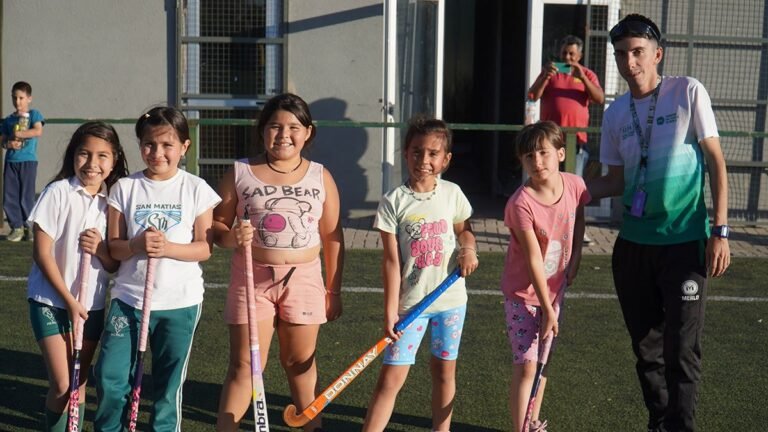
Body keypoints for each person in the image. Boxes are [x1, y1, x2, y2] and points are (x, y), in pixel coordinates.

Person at [588, 14, 730, 432]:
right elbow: (614, 181)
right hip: (632, 247)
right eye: (620, 54)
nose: (629, 62)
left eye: (637, 52)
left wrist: (719, 233)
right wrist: (562, 190)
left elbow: (717, 164)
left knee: (681, 348)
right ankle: (659, 421)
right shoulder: (615, 113)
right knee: (646, 350)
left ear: (657, 54)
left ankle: (680, 426)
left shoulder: (687, 91)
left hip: (685, 243)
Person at [214, 93, 344, 432]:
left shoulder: (320, 176)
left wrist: (335, 289)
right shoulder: (240, 171)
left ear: (308, 133)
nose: (284, 134)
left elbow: (332, 236)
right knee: (245, 366)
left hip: (303, 280)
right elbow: (217, 226)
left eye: (293, 127)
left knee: (299, 363)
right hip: (251, 279)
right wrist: (231, 237)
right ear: (262, 131)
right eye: (274, 126)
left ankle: (310, 425)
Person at [94, 107, 221, 431]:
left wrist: (168, 249)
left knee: (168, 385)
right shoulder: (124, 188)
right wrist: (137, 245)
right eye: (149, 144)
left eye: (167, 145)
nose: (158, 153)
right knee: (111, 376)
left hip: (180, 301)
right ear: (140, 145)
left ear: (184, 147)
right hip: (129, 299)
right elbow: (115, 246)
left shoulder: (196, 188)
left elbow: (204, 247)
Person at [362, 115, 479, 432]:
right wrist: (390, 312)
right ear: (405, 153)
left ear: (446, 159)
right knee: (391, 378)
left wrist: (468, 250)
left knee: (444, 373)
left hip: (450, 302)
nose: (423, 160)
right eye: (416, 151)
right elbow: (390, 262)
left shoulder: (452, 193)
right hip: (410, 308)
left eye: (432, 153)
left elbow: (465, 231)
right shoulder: (392, 202)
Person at [27, 121, 128, 431]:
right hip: (51, 300)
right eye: (84, 154)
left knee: (78, 386)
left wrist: (100, 250)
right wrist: (69, 301)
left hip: (91, 306)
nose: (92, 164)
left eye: (102, 156)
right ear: (73, 155)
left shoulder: (113, 201)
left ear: (114, 160)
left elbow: (112, 265)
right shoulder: (58, 192)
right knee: (62, 384)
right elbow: (42, 253)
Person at [501, 121, 589, 432]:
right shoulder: (521, 204)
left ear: (561, 154)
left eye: (543, 153)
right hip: (523, 296)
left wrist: (576, 255)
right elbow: (534, 260)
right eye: (528, 156)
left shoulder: (575, 185)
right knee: (527, 366)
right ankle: (520, 428)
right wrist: (548, 309)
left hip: (556, 291)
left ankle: (532, 421)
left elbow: (579, 214)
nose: (537, 162)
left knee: (543, 364)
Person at [528, 36, 604, 244]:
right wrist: (545, 75)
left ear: (580, 56)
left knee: (573, 187)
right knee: (547, 183)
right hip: (550, 141)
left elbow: (599, 98)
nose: (567, 58)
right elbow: (533, 95)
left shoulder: (587, 74)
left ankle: (576, 229)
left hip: (576, 140)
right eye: (564, 54)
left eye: (572, 54)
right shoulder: (551, 75)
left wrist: (583, 78)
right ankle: (544, 227)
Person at [2, 81, 45, 241]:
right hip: (11, 162)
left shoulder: (34, 114)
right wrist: (8, 143)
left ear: (29, 98)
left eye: (21, 97)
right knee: (10, 195)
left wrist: (21, 134)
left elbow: (38, 130)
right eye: (14, 98)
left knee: (26, 196)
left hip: (28, 161)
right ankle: (17, 228)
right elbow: (3, 138)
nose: (17, 101)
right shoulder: (8, 120)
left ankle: (30, 227)